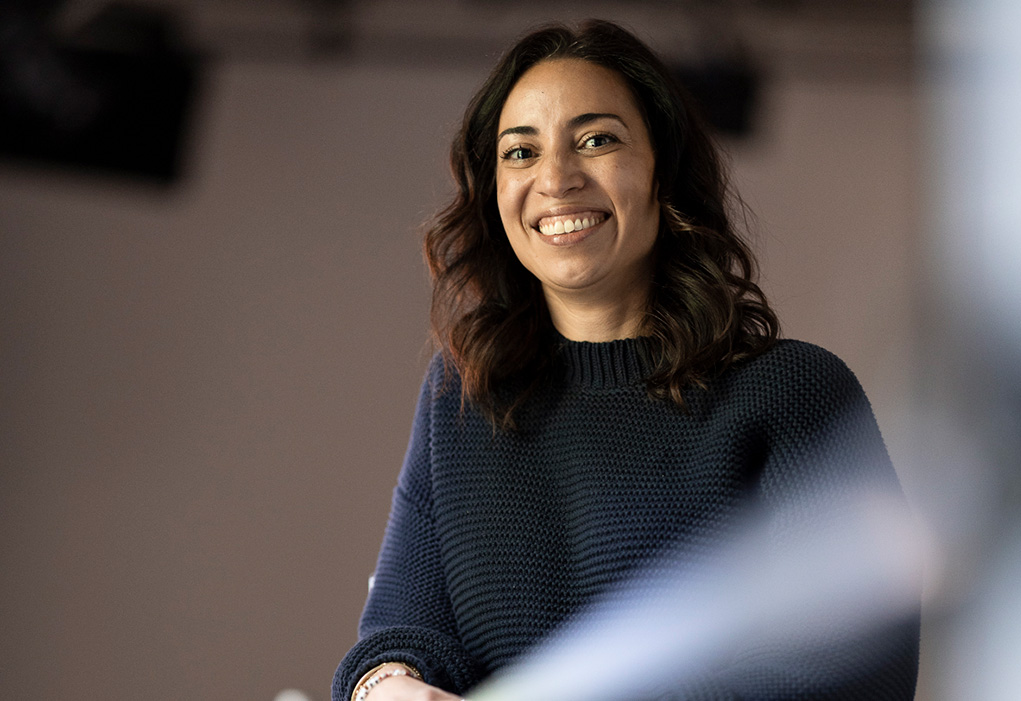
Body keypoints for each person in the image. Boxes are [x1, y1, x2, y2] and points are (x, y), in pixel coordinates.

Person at [332, 19, 920, 701]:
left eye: (596, 140)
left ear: (662, 171)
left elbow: (854, 669)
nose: (556, 178)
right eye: (520, 152)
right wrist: (386, 685)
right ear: (495, 194)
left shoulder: (795, 393)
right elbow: (399, 629)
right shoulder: (463, 395)